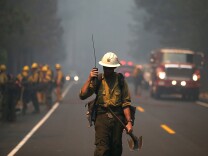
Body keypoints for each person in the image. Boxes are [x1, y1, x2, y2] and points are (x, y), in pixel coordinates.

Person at [79, 52, 133, 156]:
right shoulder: (98, 80)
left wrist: (129, 122)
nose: (107, 70)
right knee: (102, 149)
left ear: (114, 68)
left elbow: (126, 103)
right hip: (102, 117)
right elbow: (82, 95)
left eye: (110, 68)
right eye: (105, 68)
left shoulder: (121, 81)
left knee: (116, 148)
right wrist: (89, 78)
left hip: (118, 118)